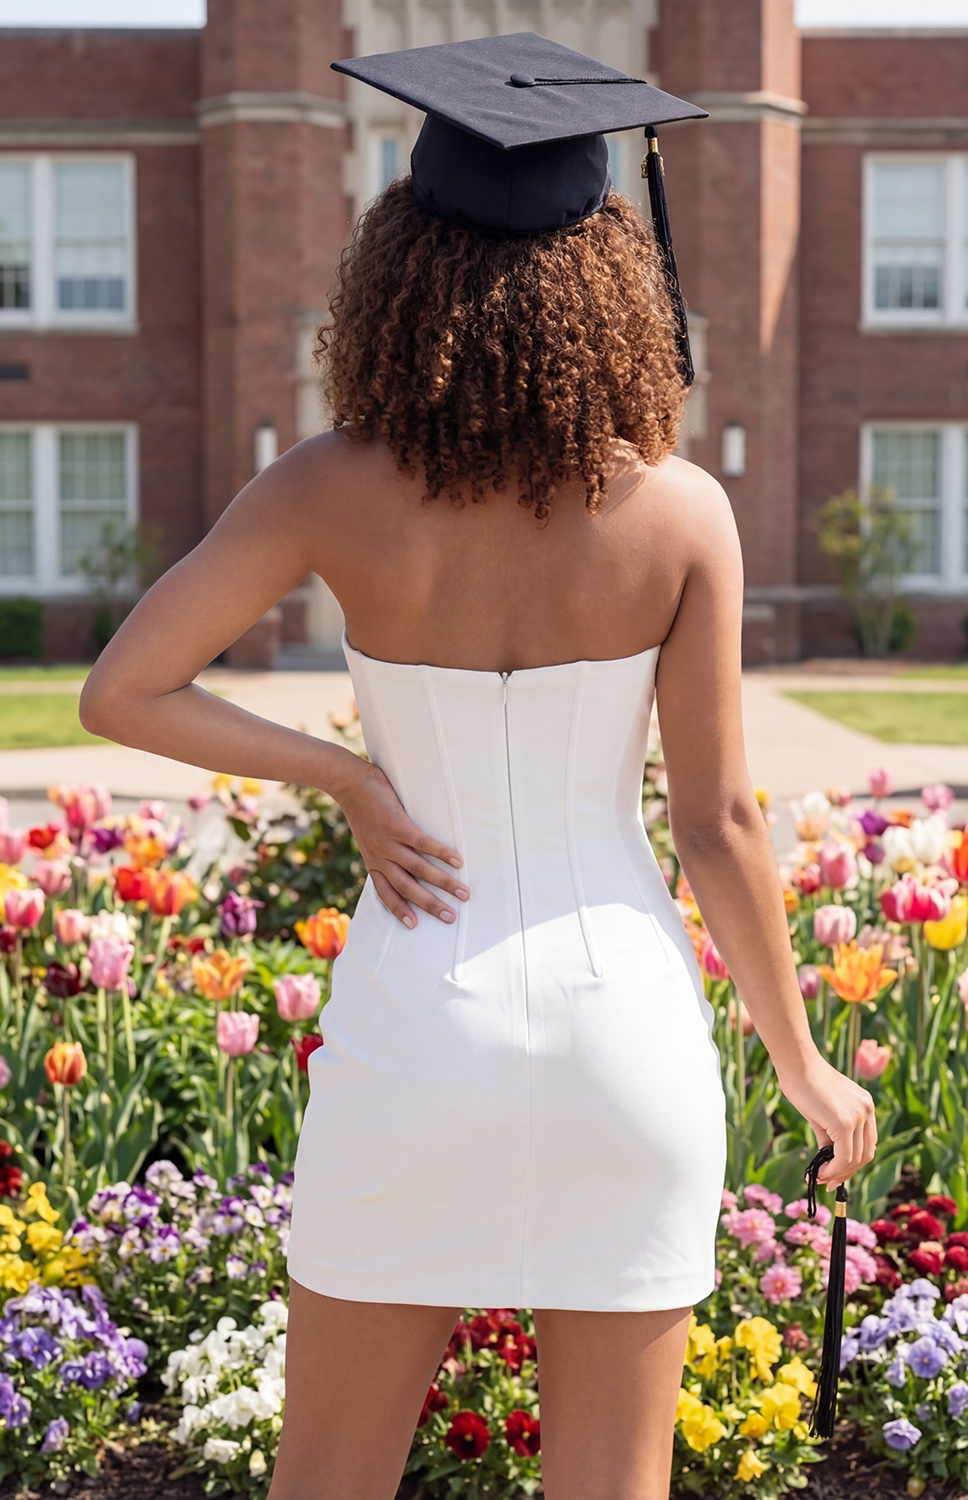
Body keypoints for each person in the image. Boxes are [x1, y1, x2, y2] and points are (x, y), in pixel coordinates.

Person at [80, 33, 877, 1500]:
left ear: (401, 263)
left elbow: (123, 690)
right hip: (620, 1036)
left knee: (326, 1481)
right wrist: (800, 1056)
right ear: (616, 278)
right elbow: (716, 822)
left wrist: (347, 783)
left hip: (417, 1027)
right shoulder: (686, 516)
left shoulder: (325, 485)